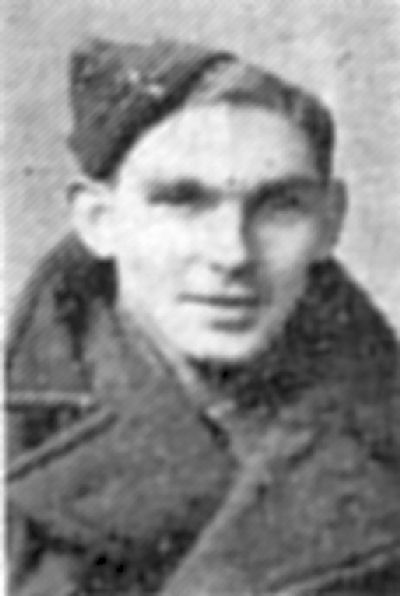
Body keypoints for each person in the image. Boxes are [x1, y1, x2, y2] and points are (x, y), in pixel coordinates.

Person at [6, 37, 400, 595]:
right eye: (182, 201)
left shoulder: (382, 439)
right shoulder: (17, 437)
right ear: (99, 221)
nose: (232, 253)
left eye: (280, 206)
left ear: (329, 223)